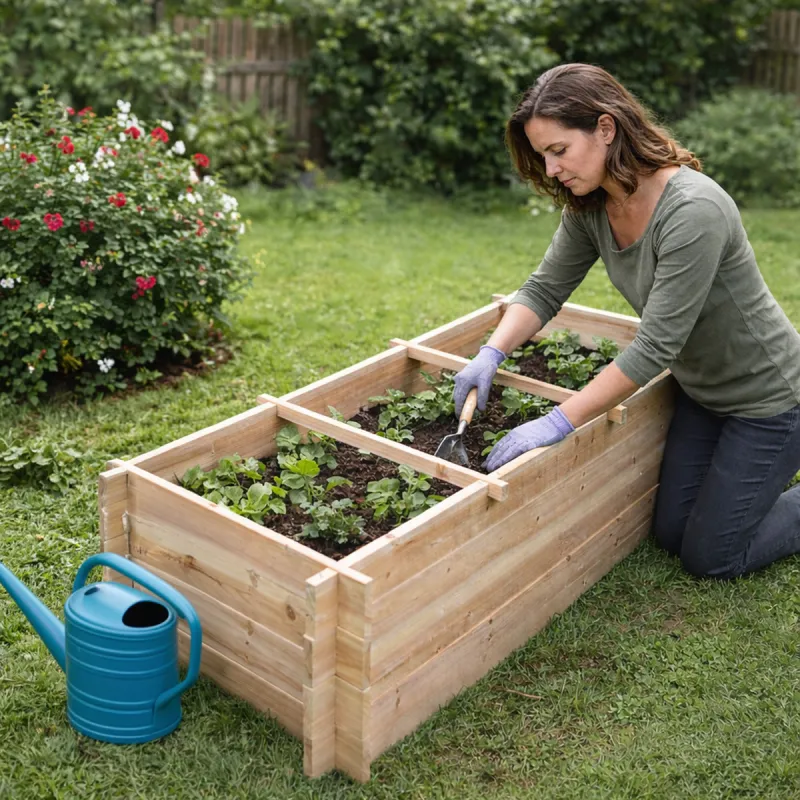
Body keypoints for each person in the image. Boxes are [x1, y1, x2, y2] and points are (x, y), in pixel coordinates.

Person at [453, 63, 800, 580]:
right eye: (543, 156)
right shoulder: (591, 206)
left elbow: (656, 346)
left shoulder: (693, 211)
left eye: (558, 151)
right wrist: (492, 351)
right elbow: (545, 288)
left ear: (606, 128)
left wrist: (560, 420)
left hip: (770, 399)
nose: (551, 171)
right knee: (671, 534)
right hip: (702, 395)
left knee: (711, 556)